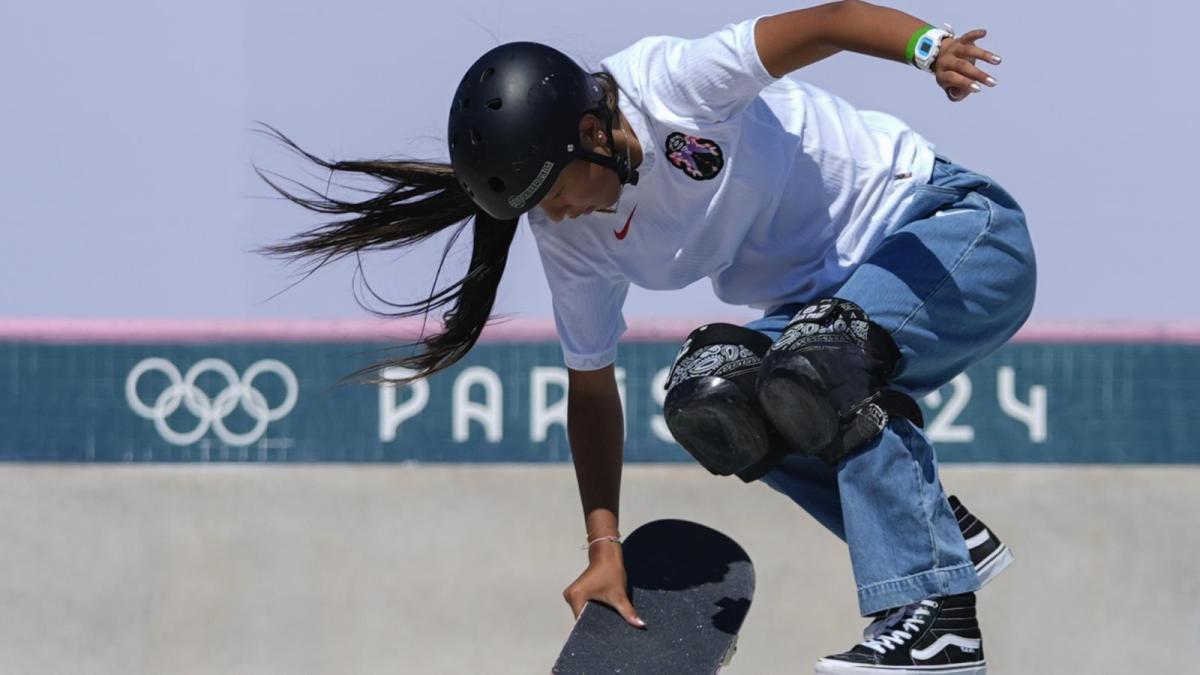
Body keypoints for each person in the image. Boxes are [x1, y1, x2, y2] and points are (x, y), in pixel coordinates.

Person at [261, 2, 1035, 672]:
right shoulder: (570, 238)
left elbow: (828, 22)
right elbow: (590, 387)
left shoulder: (676, 84)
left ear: (594, 132)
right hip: (834, 317)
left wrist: (930, 48)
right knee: (716, 390)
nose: (556, 219)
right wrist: (604, 547)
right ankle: (940, 535)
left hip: (955, 235)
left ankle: (938, 621)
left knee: (814, 362)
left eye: (557, 194)